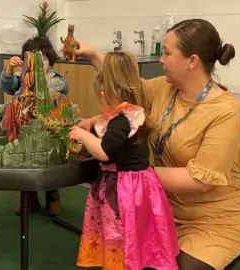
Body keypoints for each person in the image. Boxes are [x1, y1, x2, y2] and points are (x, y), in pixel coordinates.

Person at [70, 18, 240, 270]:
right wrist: (93, 54)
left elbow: (199, 180)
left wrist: (134, 174)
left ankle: (229, 250)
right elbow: (125, 85)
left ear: (192, 61)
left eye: (167, 53)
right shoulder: (164, 88)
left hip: (214, 219)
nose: (161, 59)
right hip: (161, 207)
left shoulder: (226, 111)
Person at [68, 51, 179, 270]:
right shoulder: (134, 111)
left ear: (106, 92)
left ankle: (122, 264)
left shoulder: (120, 121)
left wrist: (83, 136)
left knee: (119, 233)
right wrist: (91, 122)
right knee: (137, 231)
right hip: (139, 184)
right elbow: (108, 123)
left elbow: (105, 152)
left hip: (123, 189)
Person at [0, 36, 69, 215]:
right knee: (26, 162)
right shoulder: (23, 79)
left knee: (50, 161)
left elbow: (63, 89)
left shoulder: (55, 77)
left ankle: (53, 195)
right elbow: (6, 85)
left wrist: (46, 82)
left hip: (49, 129)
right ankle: (30, 198)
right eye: (34, 59)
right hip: (25, 128)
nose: (39, 63)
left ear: (50, 61)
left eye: (43, 59)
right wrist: (9, 69)